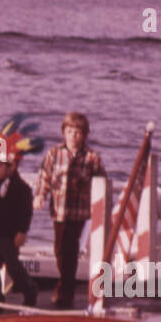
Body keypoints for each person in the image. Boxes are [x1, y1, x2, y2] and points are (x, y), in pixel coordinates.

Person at [33, 111, 106, 309]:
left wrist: (101, 207)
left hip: (79, 211)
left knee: (70, 249)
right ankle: (65, 283)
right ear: (63, 133)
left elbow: (101, 183)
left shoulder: (92, 158)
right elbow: (44, 177)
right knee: (59, 249)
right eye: (70, 132)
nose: (73, 136)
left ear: (84, 135)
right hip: (59, 209)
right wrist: (40, 195)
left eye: (78, 133)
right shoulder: (54, 154)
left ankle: (66, 290)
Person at [0, 122, 39, 311]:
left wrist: (22, 231)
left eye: (2, 165)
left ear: (12, 166)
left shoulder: (21, 188)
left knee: (13, 266)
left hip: (9, 234)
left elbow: (25, 213)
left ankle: (29, 289)